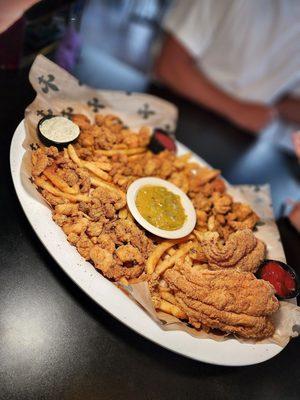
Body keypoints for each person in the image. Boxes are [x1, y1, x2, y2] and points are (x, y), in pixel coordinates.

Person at [154, 0, 300, 135]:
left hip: (245, 137)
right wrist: (238, 110)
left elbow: (285, 100)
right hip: (180, 110)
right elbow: (170, 65)